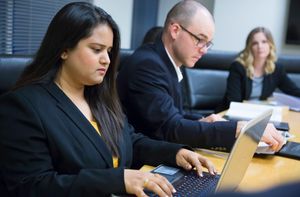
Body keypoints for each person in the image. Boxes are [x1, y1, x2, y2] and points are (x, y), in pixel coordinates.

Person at [0, 2, 218, 197]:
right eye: (96, 50)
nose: (106, 59)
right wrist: (118, 180)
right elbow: (31, 186)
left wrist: (176, 153)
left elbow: (129, 141)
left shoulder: (98, 96)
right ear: (64, 49)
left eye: (110, 51)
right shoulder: (23, 106)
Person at [117, 1, 284, 152]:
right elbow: (170, 128)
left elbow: (172, 115)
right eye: (200, 39)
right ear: (175, 30)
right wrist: (240, 129)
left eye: (208, 43)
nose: (204, 50)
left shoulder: (166, 62)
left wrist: (202, 121)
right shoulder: (148, 65)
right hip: (139, 165)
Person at [218, 27, 300, 112]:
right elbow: (233, 101)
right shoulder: (238, 67)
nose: (260, 46)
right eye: (255, 43)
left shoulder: (276, 69)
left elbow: (293, 90)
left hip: (259, 114)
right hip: (234, 114)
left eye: (264, 42)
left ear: (270, 45)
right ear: (250, 47)